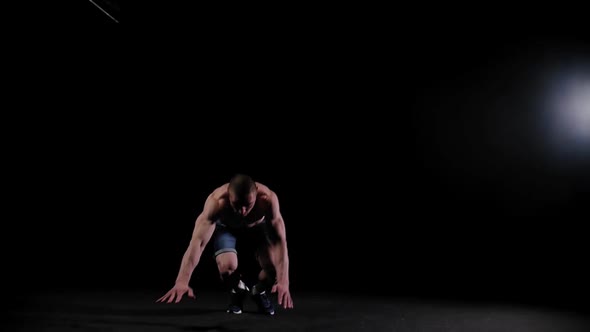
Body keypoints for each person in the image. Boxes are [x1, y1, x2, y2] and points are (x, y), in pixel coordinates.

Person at [156, 174, 294, 315]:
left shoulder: (268, 200)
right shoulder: (216, 203)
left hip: (257, 229)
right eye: (237, 204)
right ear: (228, 194)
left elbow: (280, 241)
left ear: (256, 193)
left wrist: (284, 281)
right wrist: (182, 281)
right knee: (227, 267)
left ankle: (258, 291)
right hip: (227, 228)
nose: (243, 211)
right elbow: (197, 243)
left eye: (248, 205)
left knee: (273, 270)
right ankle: (238, 290)